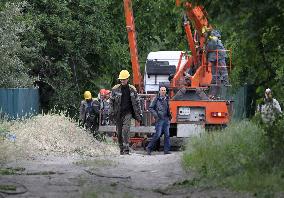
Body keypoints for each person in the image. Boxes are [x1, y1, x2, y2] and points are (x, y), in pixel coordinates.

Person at [109, 70, 142, 155]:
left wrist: (139, 113)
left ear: (127, 79)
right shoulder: (115, 89)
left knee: (126, 131)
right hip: (118, 114)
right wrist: (111, 112)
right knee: (119, 133)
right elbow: (111, 102)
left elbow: (137, 102)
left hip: (128, 113)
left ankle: (126, 149)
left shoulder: (132, 89)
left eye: (124, 79)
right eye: (121, 79)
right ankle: (121, 149)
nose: (122, 81)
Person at [146, 86, 172, 155]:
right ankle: (149, 148)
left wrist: (170, 117)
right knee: (157, 135)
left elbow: (169, 108)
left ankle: (166, 150)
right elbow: (151, 108)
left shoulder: (167, 99)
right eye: (162, 90)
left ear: (166, 91)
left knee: (167, 135)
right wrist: (156, 116)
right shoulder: (156, 99)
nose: (163, 91)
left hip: (166, 119)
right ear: (159, 91)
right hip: (159, 119)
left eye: (164, 90)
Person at [206, 29, 229, 99]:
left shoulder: (213, 40)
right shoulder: (216, 40)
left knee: (221, 73)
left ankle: (225, 86)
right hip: (216, 57)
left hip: (218, 57)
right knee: (216, 76)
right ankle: (215, 94)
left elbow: (209, 48)